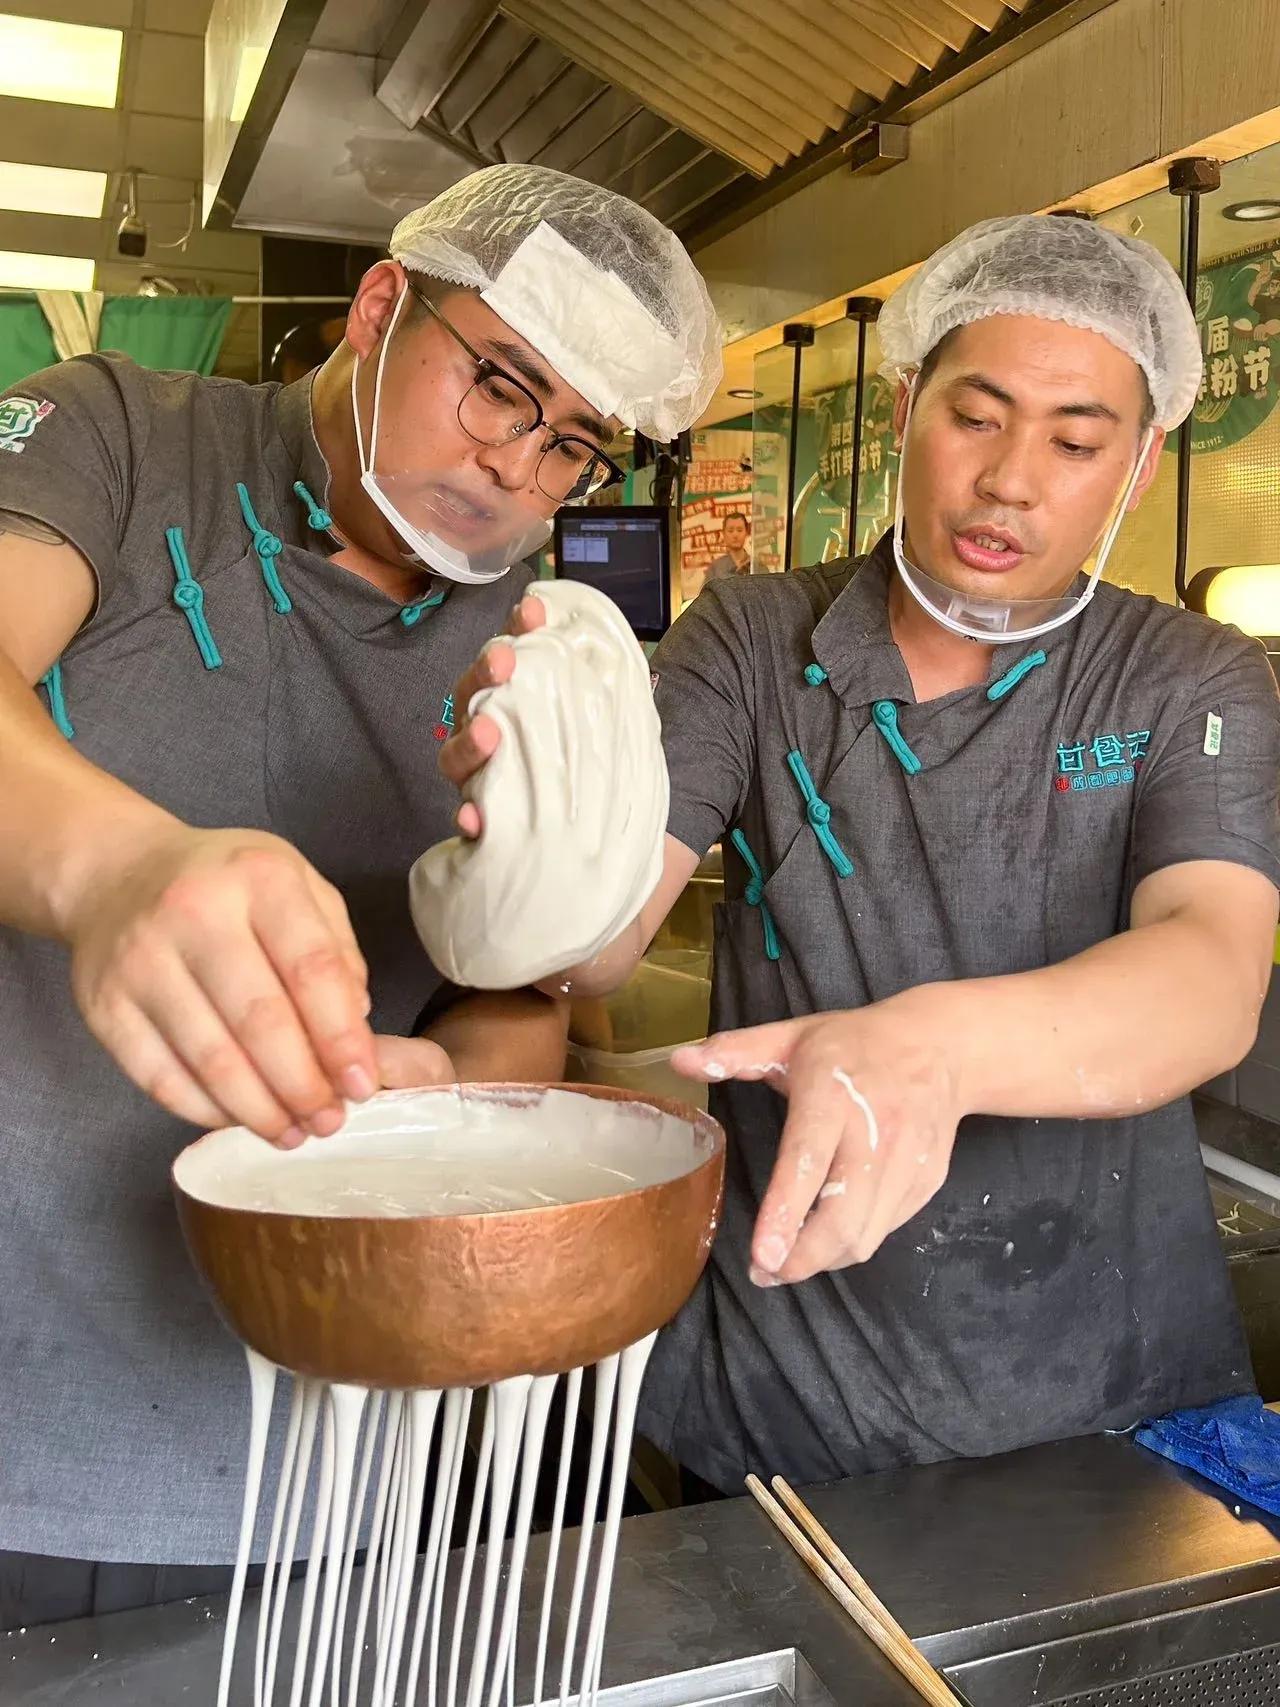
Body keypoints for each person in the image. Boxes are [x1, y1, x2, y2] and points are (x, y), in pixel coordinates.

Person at [444, 215, 1280, 1493]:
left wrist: (929, 1050)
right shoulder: (753, 638)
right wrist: (536, 824)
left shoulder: (1181, 674)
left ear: (1141, 461)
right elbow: (605, 929)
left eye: (1073, 441)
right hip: (780, 1385)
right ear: (904, 408)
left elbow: (1210, 971)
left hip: (1107, 1394)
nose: (1009, 480)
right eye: (975, 416)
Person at [0, 162, 720, 1624]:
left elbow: (509, 994)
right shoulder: (126, 438)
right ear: (382, 306)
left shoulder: (523, 647)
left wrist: (440, 1105)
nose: (522, 468)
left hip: (345, 1455)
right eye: (501, 388)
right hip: (30, 1412)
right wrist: (118, 865)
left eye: (576, 444)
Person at [703, 512, 751, 583]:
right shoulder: (715, 568)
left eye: (739, 530)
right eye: (730, 531)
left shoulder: (757, 565)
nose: (735, 535)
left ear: (746, 533)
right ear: (724, 534)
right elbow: (706, 593)